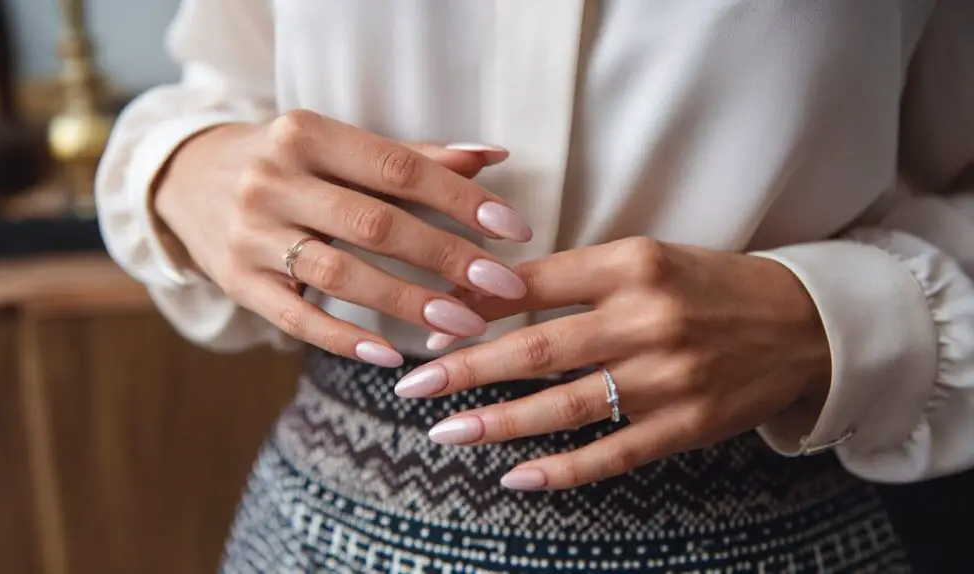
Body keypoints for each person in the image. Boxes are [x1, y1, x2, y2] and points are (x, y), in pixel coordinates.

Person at [96, 1, 974, 571]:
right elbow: (230, 88)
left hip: (767, 522)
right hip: (329, 530)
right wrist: (183, 169)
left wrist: (837, 321)